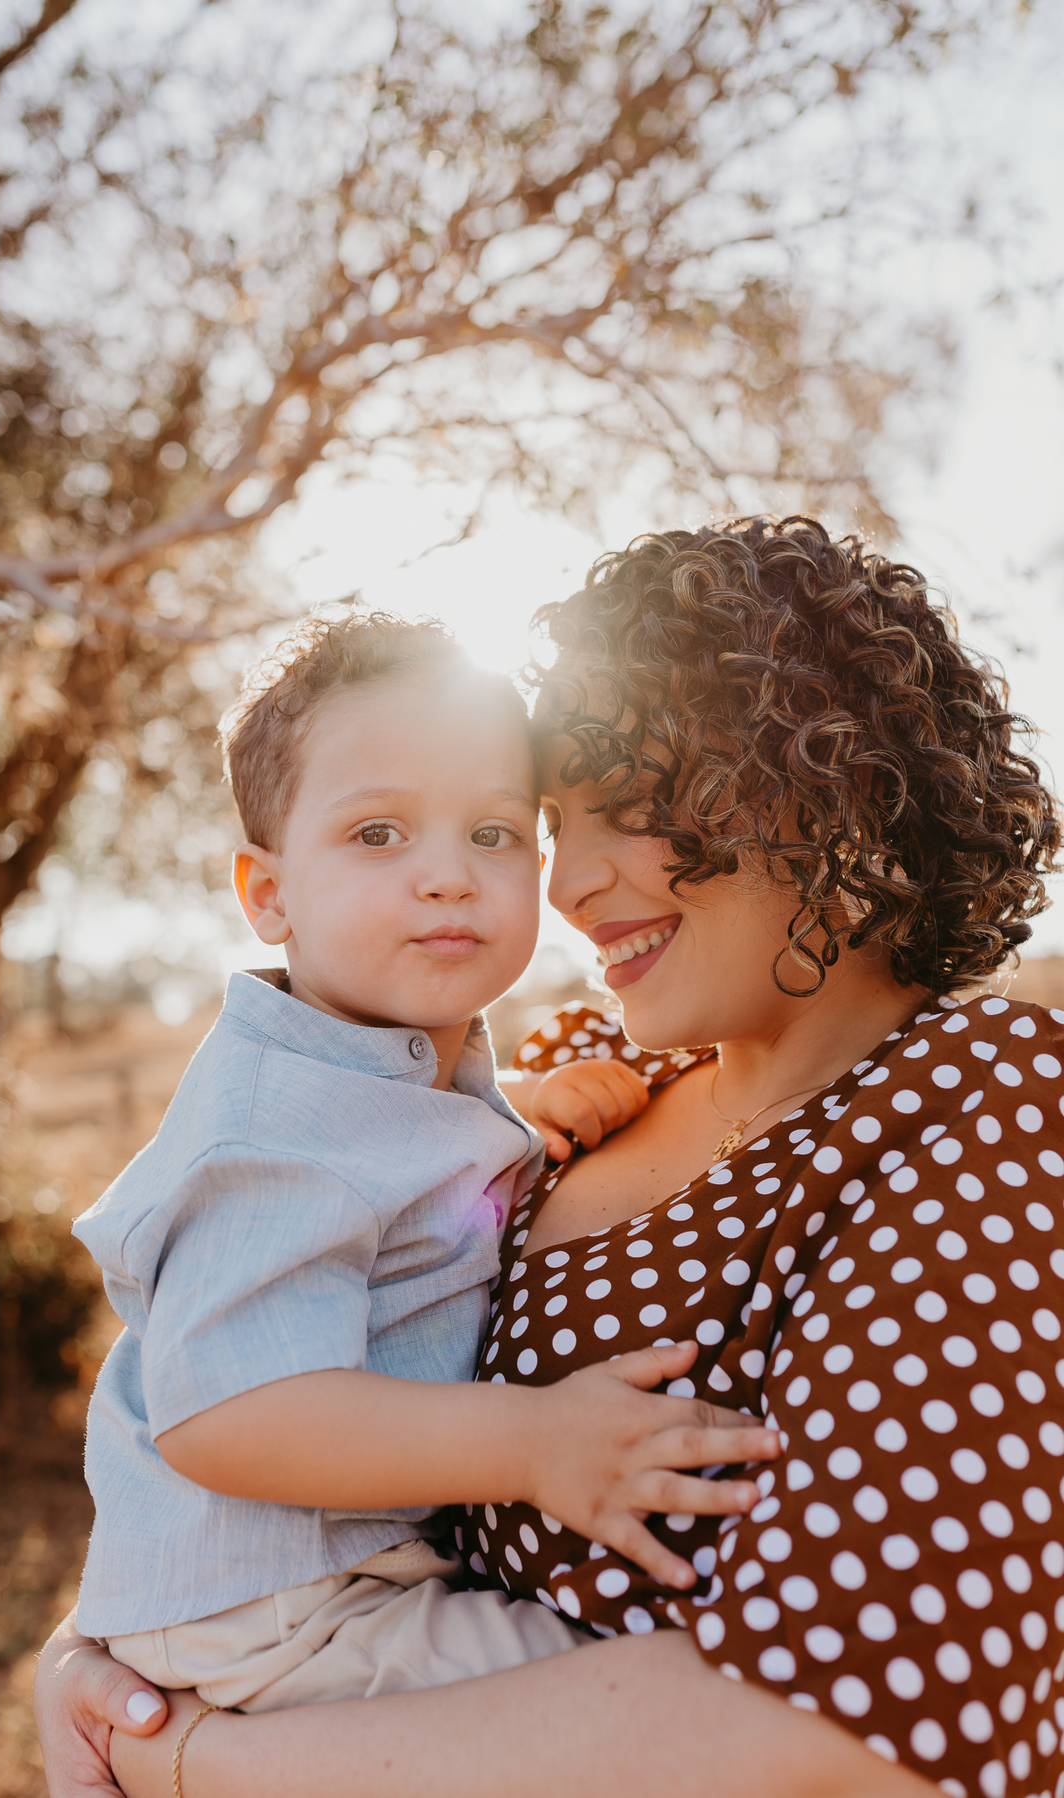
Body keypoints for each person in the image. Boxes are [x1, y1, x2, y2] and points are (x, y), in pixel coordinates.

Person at [35, 518, 1064, 1798]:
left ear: (831, 781)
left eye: (627, 806)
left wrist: (187, 1758)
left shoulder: (984, 1101)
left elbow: (854, 1731)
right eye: (554, 821)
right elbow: (240, 1375)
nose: (569, 882)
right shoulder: (589, 1064)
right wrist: (98, 1651)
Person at [68, 612, 776, 1733]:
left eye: (496, 833)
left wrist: (525, 1113)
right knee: (643, 1691)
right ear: (267, 893)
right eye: (380, 832)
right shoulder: (268, 1131)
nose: (449, 876)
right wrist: (535, 1443)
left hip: (320, 1585)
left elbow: (395, 1175)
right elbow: (233, 1414)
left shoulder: (387, 1068)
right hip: (280, 1604)